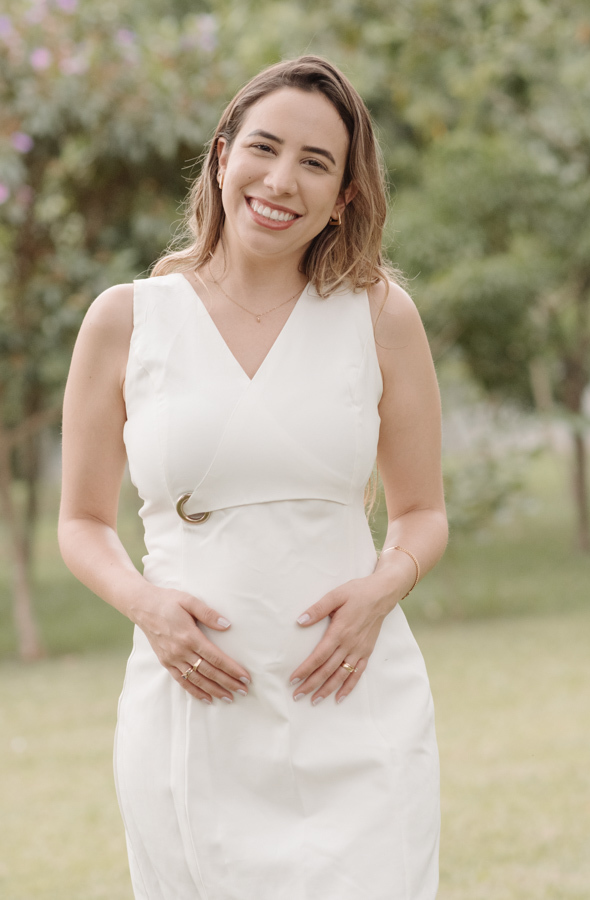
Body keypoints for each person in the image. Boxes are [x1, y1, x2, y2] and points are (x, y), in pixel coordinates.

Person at [58, 55, 448, 900]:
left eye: (316, 163)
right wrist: (146, 606)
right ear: (223, 155)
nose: (281, 180)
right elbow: (81, 522)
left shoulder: (380, 316)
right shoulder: (126, 321)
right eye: (263, 149)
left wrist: (385, 586)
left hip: (356, 709)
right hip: (195, 717)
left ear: (345, 195)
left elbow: (423, 512)